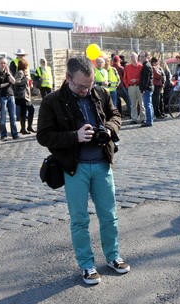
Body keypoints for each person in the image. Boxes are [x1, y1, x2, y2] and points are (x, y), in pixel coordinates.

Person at [36, 56, 129, 285]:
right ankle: (86, 265)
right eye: (80, 86)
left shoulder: (100, 93)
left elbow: (116, 115)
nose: (85, 91)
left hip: (102, 163)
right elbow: (43, 136)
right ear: (68, 78)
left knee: (109, 215)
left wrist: (108, 128)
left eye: (89, 85)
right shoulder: (52, 101)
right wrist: (74, 136)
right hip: (74, 168)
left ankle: (112, 256)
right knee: (79, 220)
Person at [0, 56, 19, 141]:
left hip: (11, 95)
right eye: (1, 63)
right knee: (3, 117)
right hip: (2, 96)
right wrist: (8, 83)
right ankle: (3, 135)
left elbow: (14, 81)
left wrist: (8, 73)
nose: (3, 64)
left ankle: (15, 134)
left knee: (13, 116)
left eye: (4, 63)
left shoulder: (8, 71)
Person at [13, 58, 35, 134]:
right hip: (23, 96)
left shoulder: (23, 72)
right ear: (24, 65)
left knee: (30, 110)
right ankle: (23, 129)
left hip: (26, 96)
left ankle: (28, 127)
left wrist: (29, 82)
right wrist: (25, 80)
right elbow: (16, 82)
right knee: (24, 111)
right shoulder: (20, 72)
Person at [123, 52, 144, 124]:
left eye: (133, 56)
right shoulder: (127, 67)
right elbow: (124, 78)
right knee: (133, 104)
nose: (131, 58)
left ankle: (143, 118)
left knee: (142, 103)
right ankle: (134, 118)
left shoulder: (141, 66)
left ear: (137, 57)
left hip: (139, 87)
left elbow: (143, 78)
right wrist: (127, 86)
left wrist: (137, 80)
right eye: (131, 57)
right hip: (131, 87)